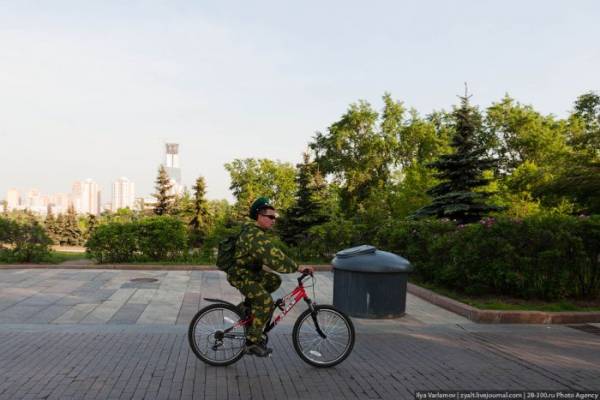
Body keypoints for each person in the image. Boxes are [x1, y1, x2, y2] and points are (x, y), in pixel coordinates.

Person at [226, 197, 313, 357]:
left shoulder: (257, 232)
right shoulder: (254, 234)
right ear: (260, 216)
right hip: (242, 275)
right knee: (266, 302)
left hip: (250, 273)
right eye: (271, 217)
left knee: (274, 280)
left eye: (275, 217)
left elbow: (265, 257)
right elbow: (273, 255)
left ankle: (247, 309)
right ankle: (252, 342)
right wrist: (297, 267)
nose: (274, 220)